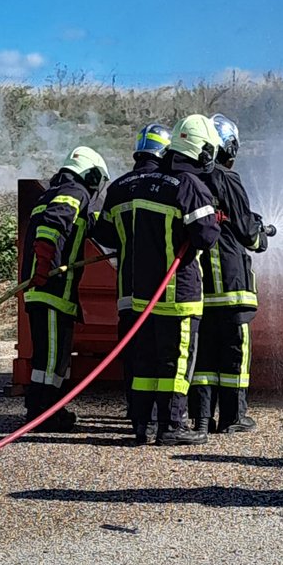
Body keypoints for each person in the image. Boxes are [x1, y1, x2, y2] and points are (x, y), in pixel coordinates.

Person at [93, 114, 221, 446]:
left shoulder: (120, 187)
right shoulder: (187, 186)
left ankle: (142, 425)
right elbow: (206, 236)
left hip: (135, 296)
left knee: (143, 362)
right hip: (176, 294)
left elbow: (104, 234)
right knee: (175, 363)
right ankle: (172, 426)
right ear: (204, 151)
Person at [189, 114, 275, 434]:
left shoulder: (189, 181)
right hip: (231, 286)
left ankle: (201, 419)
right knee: (234, 353)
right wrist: (261, 235)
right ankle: (233, 418)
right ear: (228, 148)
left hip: (197, 288)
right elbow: (248, 234)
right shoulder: (228, 179)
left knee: (203, 356)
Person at [21, 145, 110, 431]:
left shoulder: (53, 193)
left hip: (50, 291)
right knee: (50, 359)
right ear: (91, 175)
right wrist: (45, 263)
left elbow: (84, 226)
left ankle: (49, 409)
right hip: (51, 289)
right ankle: (41, 413)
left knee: (55, 358)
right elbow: (53, 224)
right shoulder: (74, 191)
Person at [113, 123, 172, 416]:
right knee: (164, 353)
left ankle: (136, 412)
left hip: (128, 290)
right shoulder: (168, 184)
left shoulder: (117, 187)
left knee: (133, 354)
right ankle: (165, 415)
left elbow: (104, 234)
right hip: (164, 290)